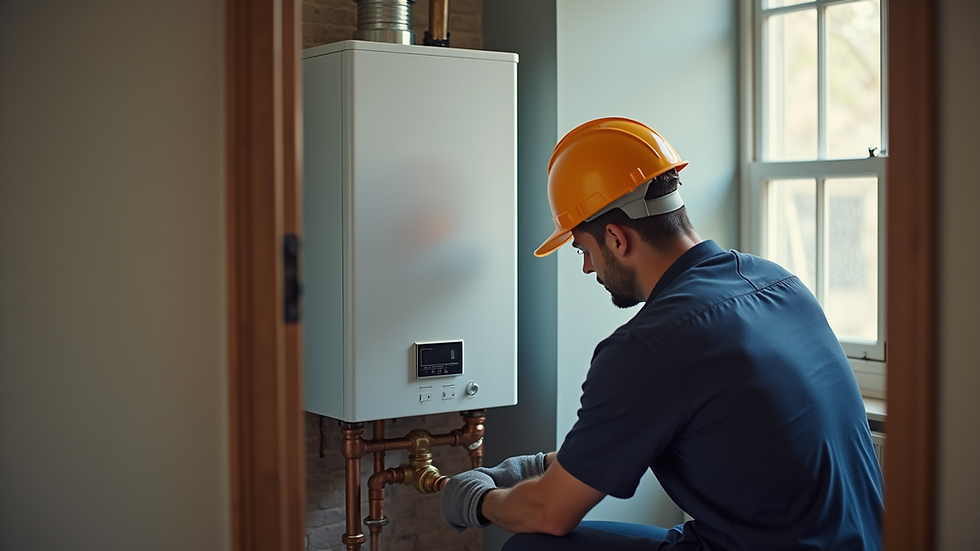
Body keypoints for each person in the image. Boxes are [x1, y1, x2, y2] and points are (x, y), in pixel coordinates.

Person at [439, 117, 884, 550]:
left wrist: (475, 501)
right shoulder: (777, 283)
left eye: (583, 249)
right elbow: (632, 433)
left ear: (616, 237)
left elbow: (548, 514)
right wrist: (529, 469)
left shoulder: (647, 348)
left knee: (530, 547)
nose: (587, 267)